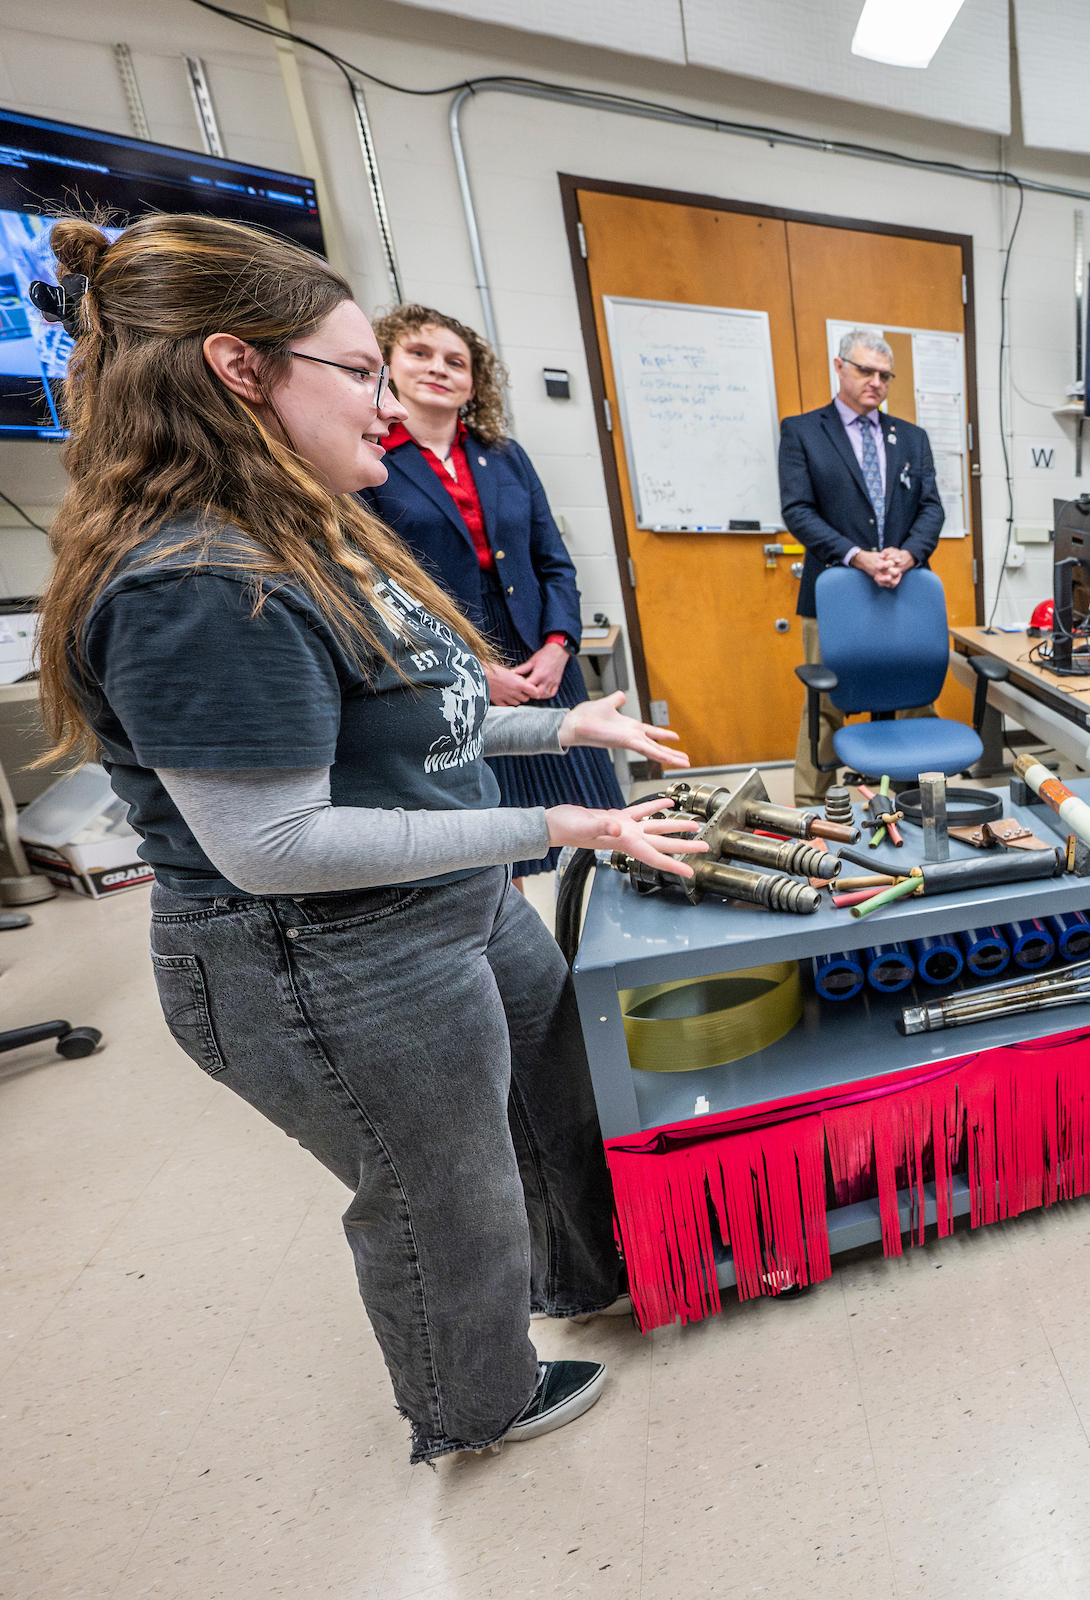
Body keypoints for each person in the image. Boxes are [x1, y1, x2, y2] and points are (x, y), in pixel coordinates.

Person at [35, 215, 701, 1461]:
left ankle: (582, 1281)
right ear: (240, 369)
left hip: (449, 895)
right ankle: (475, 1405)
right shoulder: (199, 583)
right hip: (319, 956)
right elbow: (275, 841)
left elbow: (418, 730)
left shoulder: (317, 528)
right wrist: (556, 815)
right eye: (357, 372)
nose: (384, 404)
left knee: (554, 1095)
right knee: (442, 1192)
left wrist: (564, 719)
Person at [360, 304, 623, 878]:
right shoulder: (374, 459)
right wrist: (474, 667)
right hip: (448, 662)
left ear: (474, 381)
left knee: (596, 825)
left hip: (540, 655)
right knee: (499, 843)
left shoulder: (505, 455)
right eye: (420, 354)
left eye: (456, 361)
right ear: (387, 365)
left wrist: (560, 645)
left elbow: (553, 560)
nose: (439, 369)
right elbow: (376, 583)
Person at [778, 328, 945, 801]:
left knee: (915, 697)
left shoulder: (910, 439)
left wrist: (908, 554)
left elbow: (932, 508)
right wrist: (859, 557)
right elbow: (798, 510)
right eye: (865, 370)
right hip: (834, 596)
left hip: (904, 589)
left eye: (884, 375)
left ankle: (922, 802)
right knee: (825, 704)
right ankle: (811, 809)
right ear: (839, 366)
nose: (876, 381)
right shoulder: (804, 432)